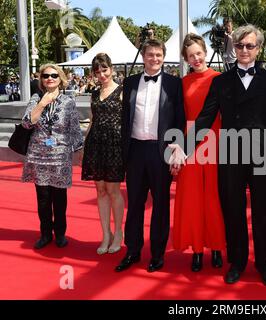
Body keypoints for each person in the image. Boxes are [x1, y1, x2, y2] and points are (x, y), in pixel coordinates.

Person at [170, 24, 266, 286]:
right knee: (233, 211)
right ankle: (238, 262)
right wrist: (184, 148)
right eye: (240, 45)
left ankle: (265, 264)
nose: (244, 50)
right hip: (230, 151)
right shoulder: (220, 82)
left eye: (249, 46)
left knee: (264, 212)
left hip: (262, 151)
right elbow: (205, 119)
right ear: (234, 48)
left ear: (259, 49)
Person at [115, 39, 185, 273]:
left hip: (161, 151)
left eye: (159, 55)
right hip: (135, 151)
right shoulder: (130, 82)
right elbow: (125, 118)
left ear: (164, 57)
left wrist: (176, 147)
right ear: (143, 56)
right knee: (134, 204)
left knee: (161, 205)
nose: (154, 58)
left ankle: (157, 254)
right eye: (150, 55)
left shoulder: (175, 84)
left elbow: (179, 119)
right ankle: (132, 250)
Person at [172, 33, 226, 272]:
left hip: (216, 141)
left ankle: (216, 247)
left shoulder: (221, 79)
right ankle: (196, 250)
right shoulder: (182, 83)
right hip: (189, 145)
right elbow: (180, 116)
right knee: (193, 198)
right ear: (186, 58)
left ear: (205, 52)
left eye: (198, 53)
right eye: (190, 55)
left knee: (214, 197)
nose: (196, 58)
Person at [21, 64, 83, 249]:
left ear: (60, 79)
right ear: (41, 79)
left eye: (54, 75)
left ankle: (60, 233)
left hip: (60, 156)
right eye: (46, 75)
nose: (50, 78)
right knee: (43, 198)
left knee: (60, 197)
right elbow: (26, 124)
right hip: (38, 154)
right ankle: (46, 234)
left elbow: (74, 128)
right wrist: (41, 104)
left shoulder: (68, 101)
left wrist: (80, 150)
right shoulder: (35, 99)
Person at [81, 53, 125, 255]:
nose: (102, 75)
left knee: (113, 190)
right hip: (95, 145)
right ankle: (105, 234)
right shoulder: (93, 94)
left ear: (112, 69)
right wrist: (84, 147)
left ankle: (118, 233)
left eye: (104, 70)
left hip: (114, 146)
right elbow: (92, 121)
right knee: (100, 191)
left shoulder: (123, 91)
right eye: (97, 72)